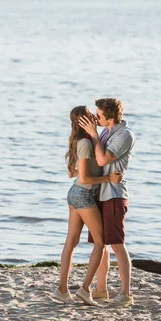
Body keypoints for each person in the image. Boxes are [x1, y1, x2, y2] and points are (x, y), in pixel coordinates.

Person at [52, 105, 123, 305]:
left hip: (75, 195)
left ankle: (62, 291)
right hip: (83, 195)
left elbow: (72, 173)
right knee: (100, 243)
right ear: (84, 120)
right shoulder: (85, 143)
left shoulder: (83, 140)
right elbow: (83, 178)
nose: (95, 117)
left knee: (71, 242)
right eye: (91, 115)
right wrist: (108, 178)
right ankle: (84, 290)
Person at [78, 98, 135, 307]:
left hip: (114, 194)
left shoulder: (124, 135)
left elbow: (102, 160)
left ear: (110, 118)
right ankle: (101, 290)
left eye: (99, 115)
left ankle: (126, 294)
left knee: (117, 244)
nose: (96, 118)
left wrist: (93, 134)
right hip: (100, 193)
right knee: (100, 245)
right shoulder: (105, 131)